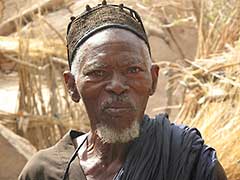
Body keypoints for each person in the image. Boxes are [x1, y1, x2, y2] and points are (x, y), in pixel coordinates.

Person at [19, 1, 227, 180]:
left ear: (153, 79)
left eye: (133, 70)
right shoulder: (43, 172)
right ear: (72, 85)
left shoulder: (189, 163)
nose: (117, 86)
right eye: (98, 72)